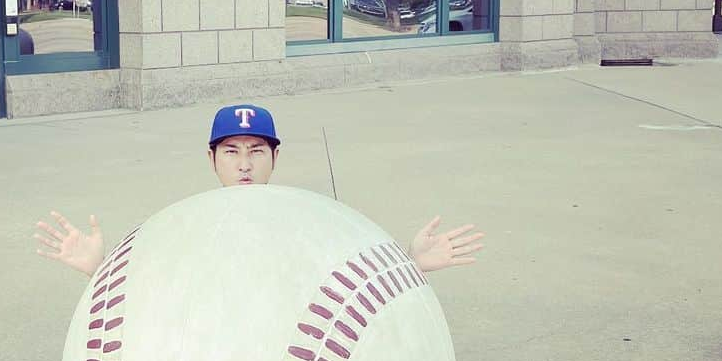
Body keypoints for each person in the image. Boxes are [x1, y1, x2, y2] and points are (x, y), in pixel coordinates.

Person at [34, 103, 483, 277]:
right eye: (231, 152)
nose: (245, 164)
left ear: (274, 158)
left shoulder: (305, 222)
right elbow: (158, 295)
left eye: (256, 150)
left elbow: (342, 284)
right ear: (211, 159)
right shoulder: (185, 228)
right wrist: (98, 270)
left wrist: (412, 265)